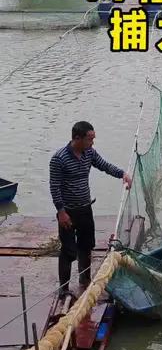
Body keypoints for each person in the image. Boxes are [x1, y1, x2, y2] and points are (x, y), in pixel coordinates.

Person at [49, 121, 132, 297]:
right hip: (68, 212)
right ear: (77, 138)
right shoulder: (59, 159)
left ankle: (84, 280)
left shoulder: (89, 153)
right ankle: (63, 289)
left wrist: (122, 174)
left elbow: (104, 165)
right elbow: (54, 187)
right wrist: (61, 212)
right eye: (90, 139)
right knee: (68, 250)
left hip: (85, 208)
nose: (92, 143)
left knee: (86, 246)